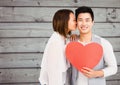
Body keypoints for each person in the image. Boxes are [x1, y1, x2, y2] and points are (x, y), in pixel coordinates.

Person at [70, 6, 118, 85]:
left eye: (87, 20)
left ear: (92, 22)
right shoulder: (71, 42)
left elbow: (113, 68)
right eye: (80, 20)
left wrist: (97, 73)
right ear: (76, 23)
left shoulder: (104, 43)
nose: (84, 23)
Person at [39, 9, 76, 85]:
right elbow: (53, 74)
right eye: (74, 20)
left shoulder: (63, 39)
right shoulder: (55, 43)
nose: (76, 22)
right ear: (64, 22)